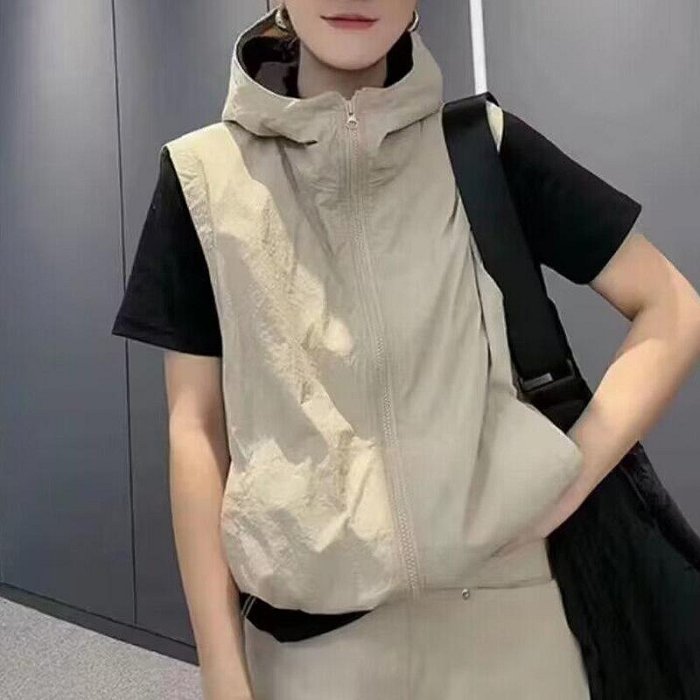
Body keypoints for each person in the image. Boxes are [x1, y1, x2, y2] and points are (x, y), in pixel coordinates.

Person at [111, 3, 700, 699]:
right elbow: (196, 430)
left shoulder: (480, 147)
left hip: (514, 629)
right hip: (313, 657)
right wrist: (221, 670)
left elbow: (672, 308)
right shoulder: (202, 178)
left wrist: (570, 478)